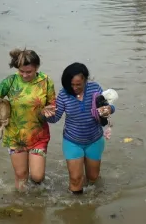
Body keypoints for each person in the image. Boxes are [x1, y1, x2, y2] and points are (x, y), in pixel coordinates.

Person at [44, 62, 116, 194]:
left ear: (85, 80)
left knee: (93, 177)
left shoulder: (95, 88)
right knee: (76, 179)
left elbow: (108, 106)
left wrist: (109, 109)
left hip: (94, 139)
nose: (75, 88)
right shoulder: (63, 94)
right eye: (71, 84)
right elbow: (55, 118)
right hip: (72, 141)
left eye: (78, 84)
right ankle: (76, 207)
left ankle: (92, 203)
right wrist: (46, 114)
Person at [0, 48, 56, 191]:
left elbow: (53, 105)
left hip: (38, 135)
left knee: (37, 176)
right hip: (15, 134)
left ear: (36, 68)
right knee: (21, 175)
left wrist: (48, 111)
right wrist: (0, 116)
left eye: (29, 72)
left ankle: (37, 196)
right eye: (22, 71)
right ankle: (21, 205)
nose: (25, 75)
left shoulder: (46, 81)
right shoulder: (10, 81)